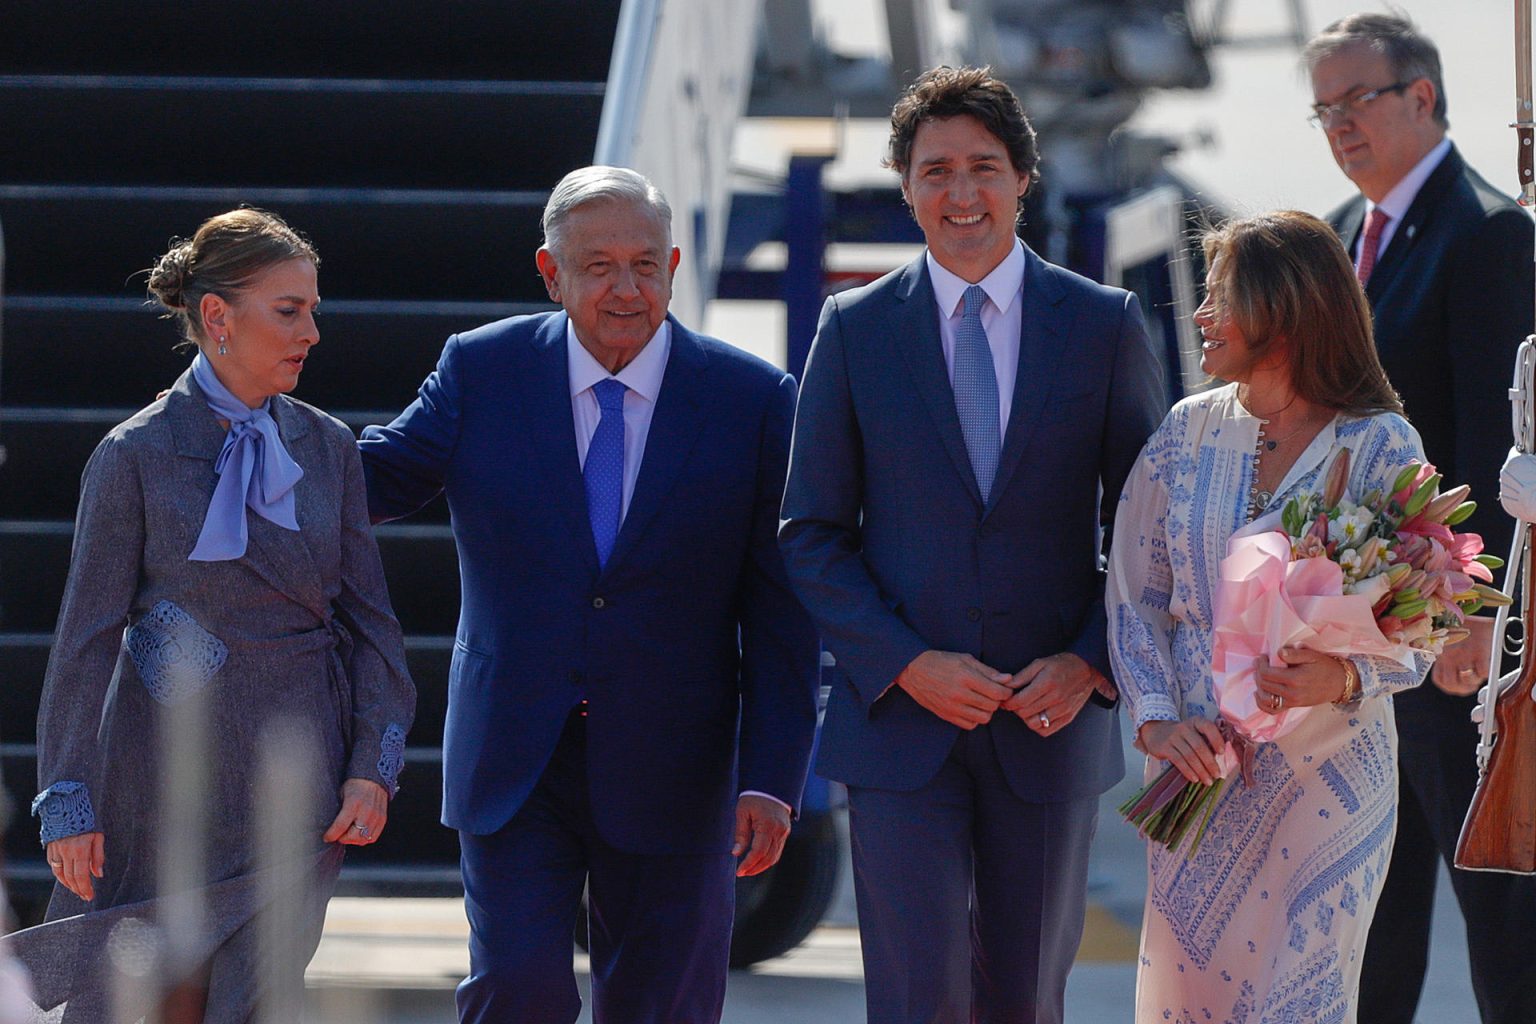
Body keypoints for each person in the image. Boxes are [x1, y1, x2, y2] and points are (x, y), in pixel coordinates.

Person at [358, 165, 819, 1024]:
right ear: (551, 273)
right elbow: (375, 479)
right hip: (515, 755)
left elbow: (783, 615)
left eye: (645, 264)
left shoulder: (753, 400)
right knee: (515, 991)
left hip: (679, 769)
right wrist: (242, 424)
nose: (626, 288)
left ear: (675, 267)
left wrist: (772, 779)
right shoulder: (482, 370)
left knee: (663, 1005)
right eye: (598, 265)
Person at [778, 66, 1165, 1023]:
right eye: (935, 170)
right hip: (901, 729)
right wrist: (906, 664)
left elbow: (1156, 528)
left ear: (1023, 179)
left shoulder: (1102, 325)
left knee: (1027, 999)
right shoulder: (856, 328)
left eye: (984, 168)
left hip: (1051, 725)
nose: (961, 194)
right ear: (905, 186)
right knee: (916, 998)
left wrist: (1087, 664)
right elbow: (812, 534)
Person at [9, 208, 416, 1021]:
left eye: (314, 309)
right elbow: (84, 642)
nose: (313, 332)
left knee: (258, 998)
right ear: (218, 317)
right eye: (289, 310)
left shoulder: (329, 446)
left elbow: (373, 625)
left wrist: (374, 763)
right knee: (134, 998)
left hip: (299, 772)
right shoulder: (134, 454)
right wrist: (67, 799)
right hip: (159, 780)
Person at [1108, 209, 1432, 1022]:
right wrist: (1154, 721)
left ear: (1283, 311)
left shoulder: (1381, 445)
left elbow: (1430, 614)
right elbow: (1134, 599)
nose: (1202, 316)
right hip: (1194, 776)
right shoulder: (1186, 433)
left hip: (1331, 787)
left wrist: (1346, 672)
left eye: (1223, 298)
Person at [1304, 14, 1536, 1021]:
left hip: (1450, 651)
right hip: (1358, 651)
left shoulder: (1486, 233)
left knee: (1499, 918)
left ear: (1422, 97)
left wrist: (1479, 618)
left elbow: (1498, 429)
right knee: (1367, 914)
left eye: (1358, 100)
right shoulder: (1336, 238)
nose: (1339, 126)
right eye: (1323, 109)